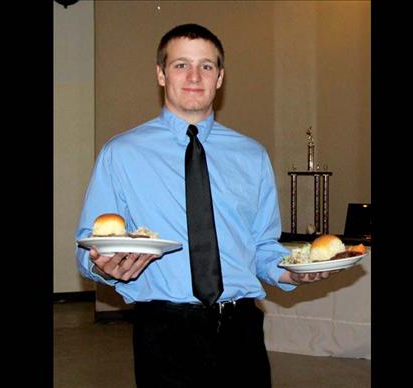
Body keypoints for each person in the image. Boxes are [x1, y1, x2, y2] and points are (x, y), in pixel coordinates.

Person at [75, 23, 333, 388]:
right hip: (164, 331)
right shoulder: (121, 153)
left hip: (241, 330)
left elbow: (261, 246)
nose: (194, 76)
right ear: (161, 74)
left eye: (206, 66)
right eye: (181, 65)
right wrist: (106, 266)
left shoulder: (252, 154)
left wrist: (293, 273)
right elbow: (87, 246)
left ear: (220, 76)